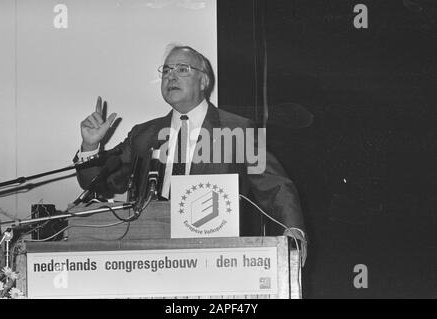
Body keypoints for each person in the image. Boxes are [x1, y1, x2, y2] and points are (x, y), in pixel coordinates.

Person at [74, 45, 308, 265]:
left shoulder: (237, 130)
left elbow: (275, 186)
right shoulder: (143, 135)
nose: (170, 76)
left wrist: (293, 232)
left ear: (204, 80)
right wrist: (90, 147)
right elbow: (101, 184)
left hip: (215, 254)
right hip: (147, 253)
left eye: (182, 69)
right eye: (166, 70)